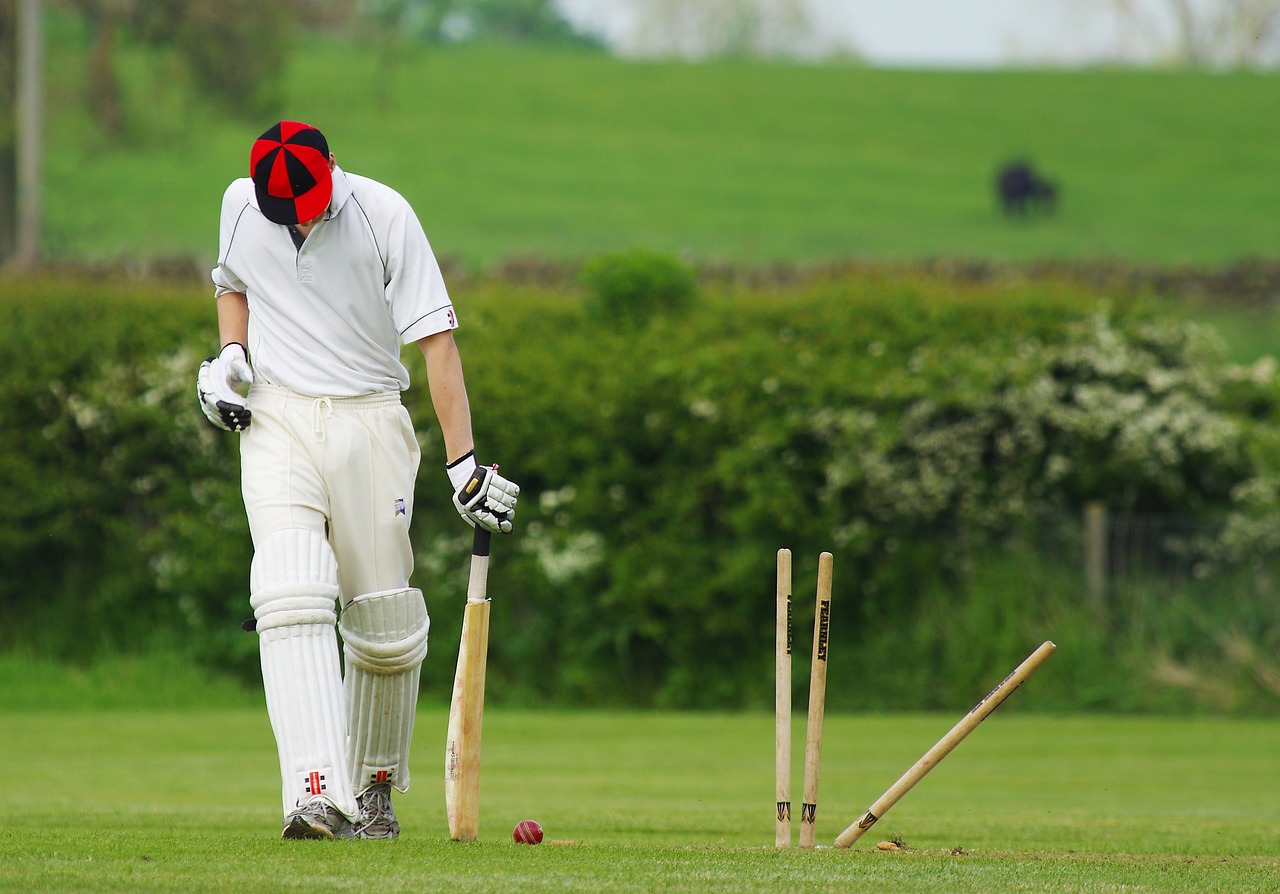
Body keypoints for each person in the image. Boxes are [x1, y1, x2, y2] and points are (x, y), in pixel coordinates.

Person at [197, 120, 519, 840]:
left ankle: (372, 788)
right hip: (276, 416)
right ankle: (314, 793)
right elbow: (231, 287)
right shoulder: (242, 205)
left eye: (310, 201)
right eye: (289, 209)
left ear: (333, 168)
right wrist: (229, 358)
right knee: (290, 590)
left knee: (384, 624)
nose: (303, 217)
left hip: (370, 417)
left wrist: (462, 463)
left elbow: (436, 342)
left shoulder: (384, 215)